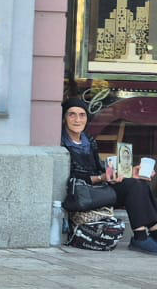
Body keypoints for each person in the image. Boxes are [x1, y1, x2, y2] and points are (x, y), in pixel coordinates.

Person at [62, 97, 157, 254]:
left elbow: (101, 169)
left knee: (137, 182)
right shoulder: (61, 142)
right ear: (64, 118)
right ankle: (140, 237)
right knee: (133, 187)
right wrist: (102, 178)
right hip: (81, 195)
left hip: (98, 189)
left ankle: (154, 231)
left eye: (82, 115)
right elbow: (71, 177)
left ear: (87, 118)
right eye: (72, 114)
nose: (77, 119)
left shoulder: (88, 140)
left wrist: (128, 173)